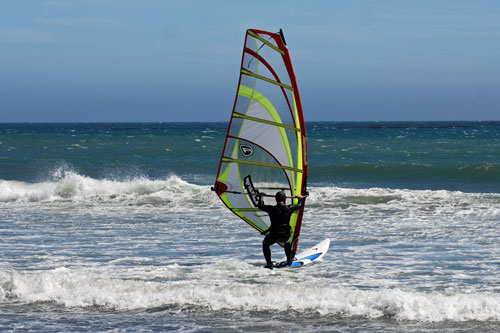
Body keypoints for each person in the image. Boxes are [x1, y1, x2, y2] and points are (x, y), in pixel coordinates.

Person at [257, 190, 304, 269]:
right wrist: (299, 198)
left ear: (276, 200)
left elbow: (260, 206)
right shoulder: (289, 208)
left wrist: (261, 197)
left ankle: (269, 263)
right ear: (285, 200)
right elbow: (300, 205)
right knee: (287, 242)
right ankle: (289, 260)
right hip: (285, 235)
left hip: (274, 236)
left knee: (265, 244)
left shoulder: (271, 209)